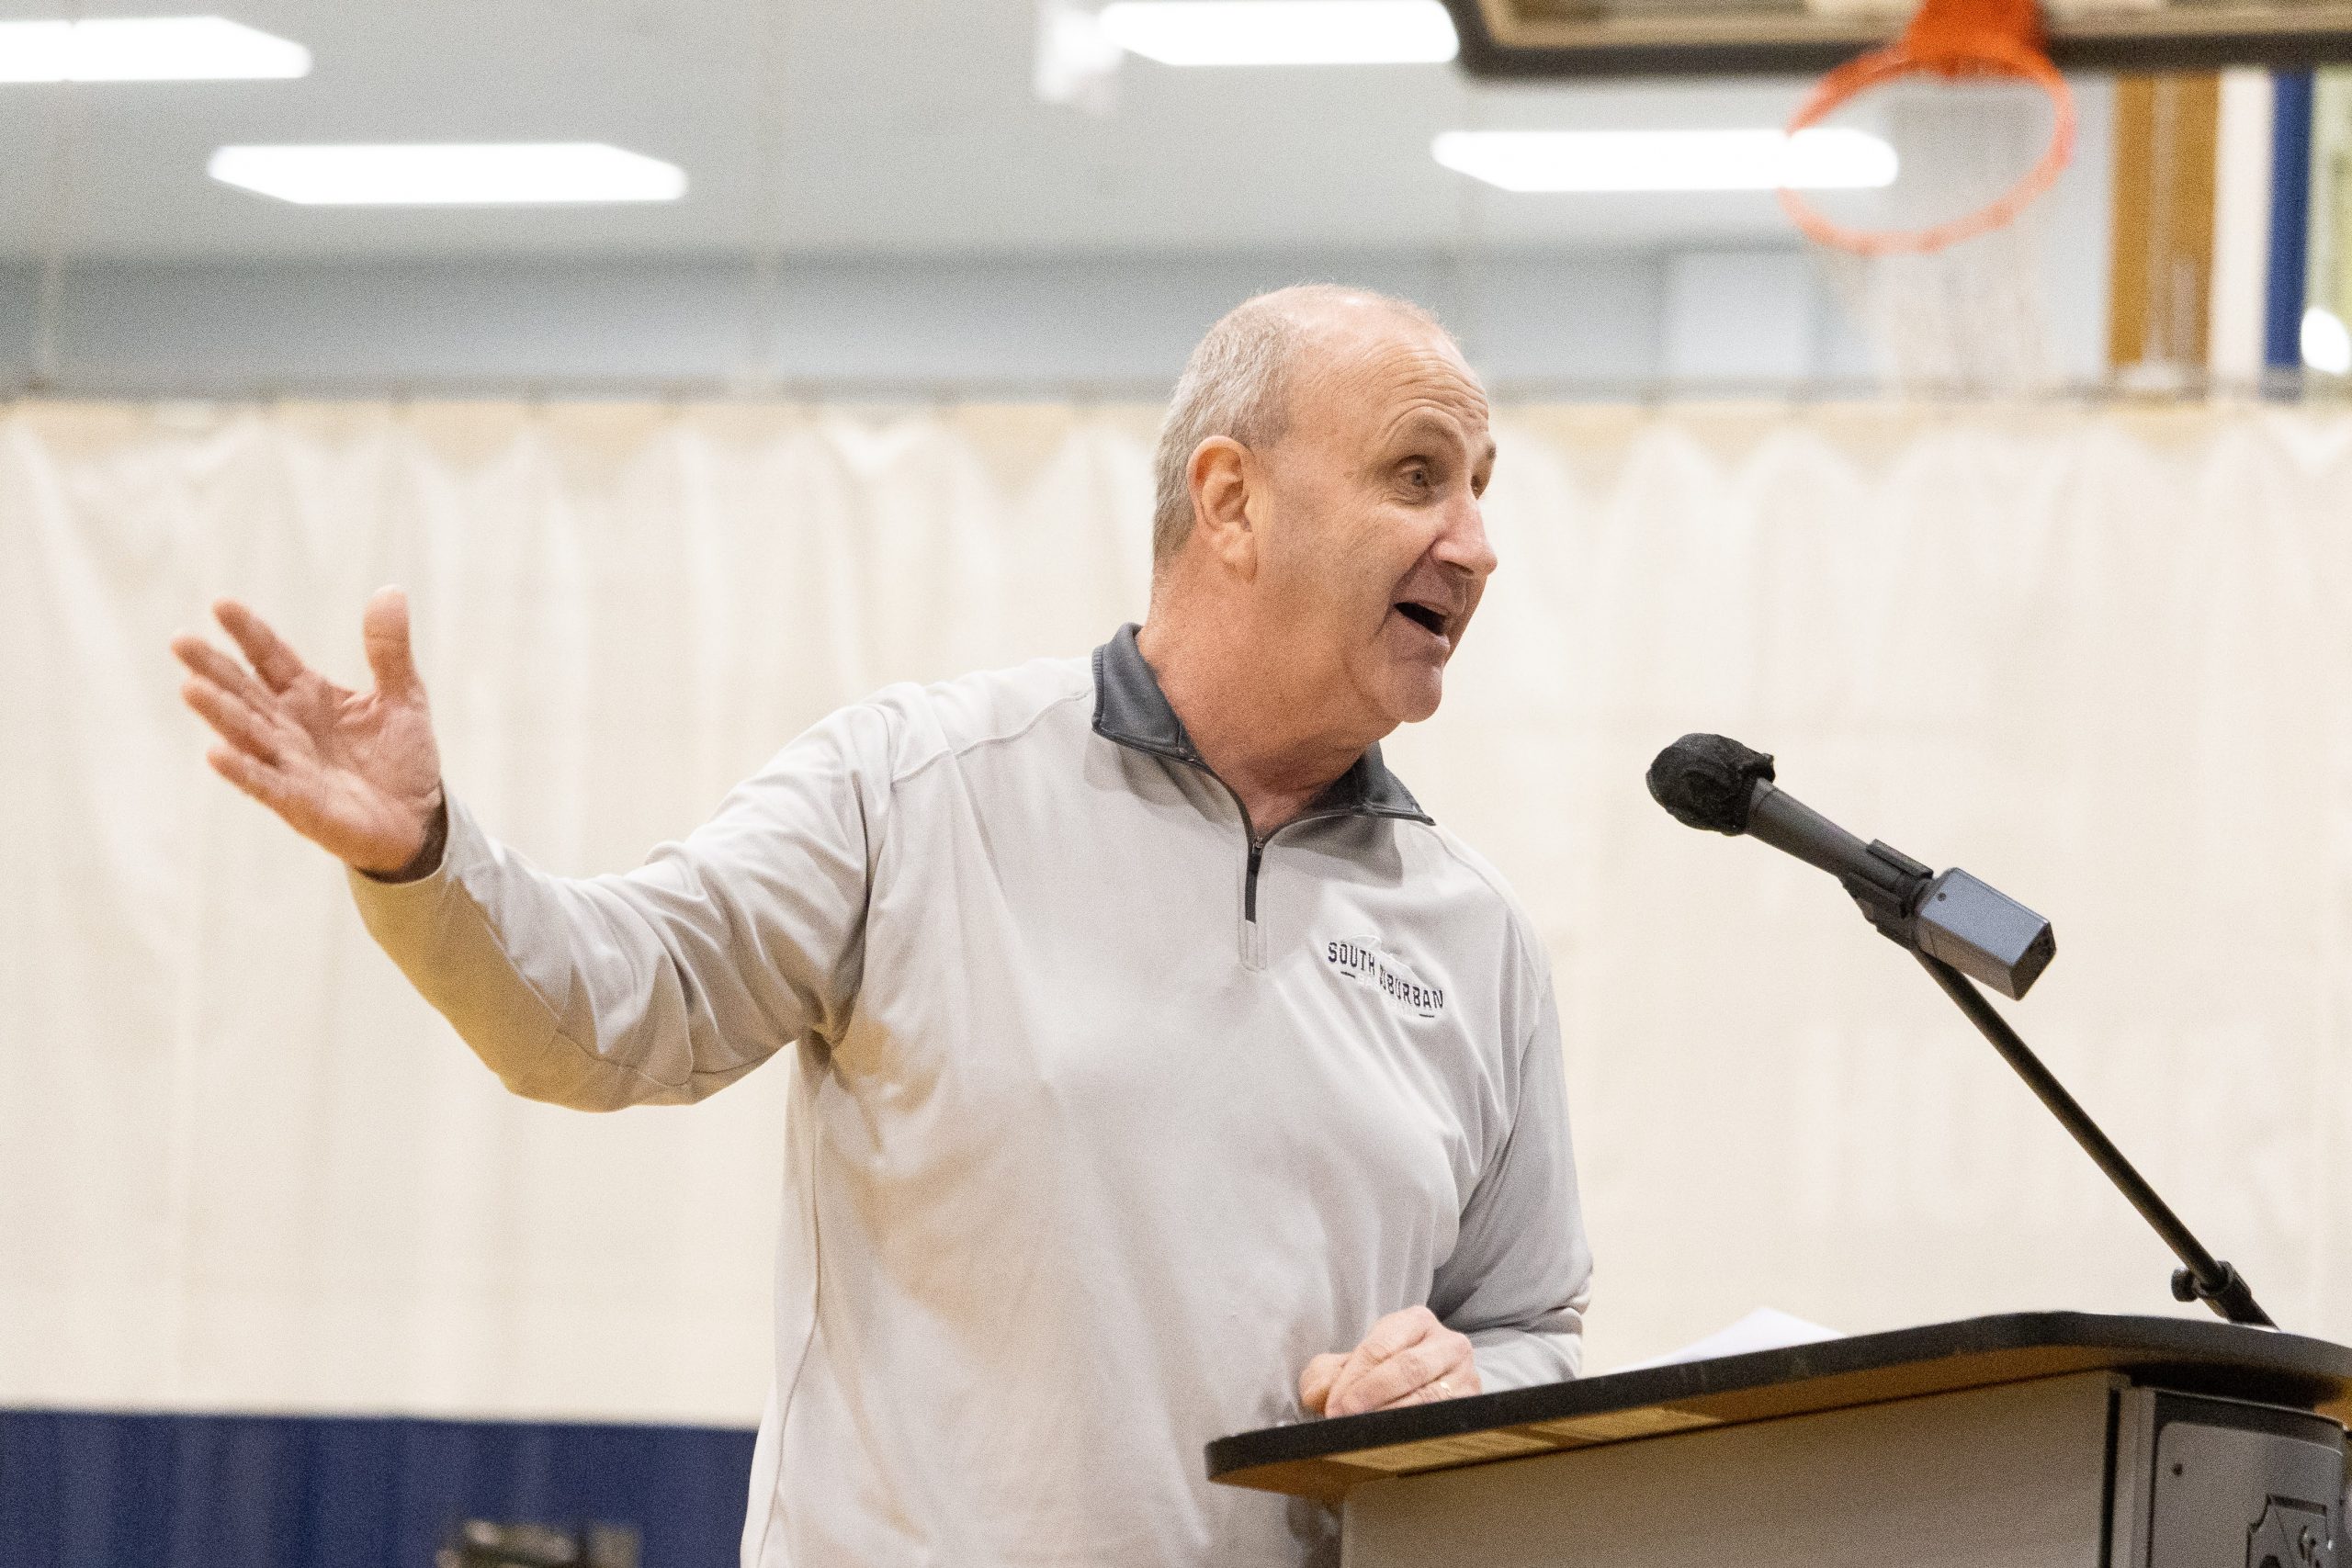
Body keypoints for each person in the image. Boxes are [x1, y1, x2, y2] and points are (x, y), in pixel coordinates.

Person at [169, 285, 1592, 1568]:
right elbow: (608, 1017)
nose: (1474, 543)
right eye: (1418, 476)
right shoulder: (914, 791)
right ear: (1230, 501)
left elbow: (1533, 1332)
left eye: (1478, 489)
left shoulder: (1475, 934)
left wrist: (1469, 1386)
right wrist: (428, 855)